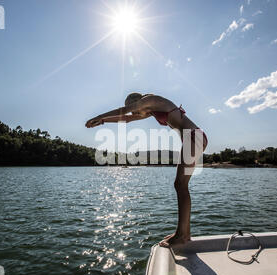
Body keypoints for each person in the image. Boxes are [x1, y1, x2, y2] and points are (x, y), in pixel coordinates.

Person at [85, 93, 208, 247]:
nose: (134, 113)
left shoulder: (151, 100)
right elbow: (127, 118)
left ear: (138, 102)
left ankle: (182, 234)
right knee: (180, 184)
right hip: (193, 137)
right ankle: (185, 233)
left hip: (193, 136)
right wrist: (103, 121)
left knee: (180, 184)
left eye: (134, 108)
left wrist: (98, 116)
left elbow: (124, 111)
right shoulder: (151, 109)